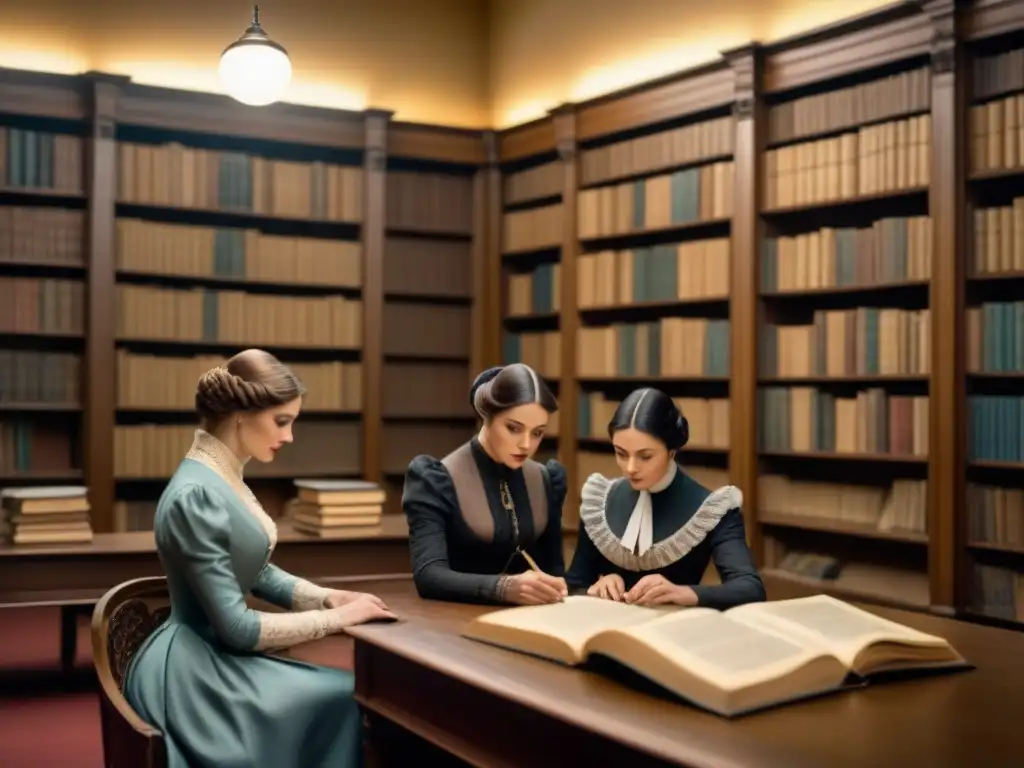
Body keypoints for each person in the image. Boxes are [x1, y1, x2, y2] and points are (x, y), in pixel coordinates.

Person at [123, 349, 396, 768]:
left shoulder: (222, 474)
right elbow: (236, 628)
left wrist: (326, 598)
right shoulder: (195, 495)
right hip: (196, 671)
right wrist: (339, 621)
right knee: (345, 694)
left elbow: (253, 570)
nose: (289, 437)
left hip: (215, 651)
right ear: (239, 415)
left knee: (348, 690)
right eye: (281, 421)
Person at [565, 387, 766, 610]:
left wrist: (683, 593)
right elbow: (574, 585)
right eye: (621, 454)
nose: (630, 468)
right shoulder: (599, 501)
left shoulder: (711, 509)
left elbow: (750, 588)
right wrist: (596, 588)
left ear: (672, 451)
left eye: (645, 456)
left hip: (670, 633)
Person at [402, 363, 569, 605]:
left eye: (537, 433)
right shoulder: (435, 479)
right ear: (487, 418)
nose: (526, 444)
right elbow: (429, 576)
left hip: (532, 618)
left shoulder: (547, 479)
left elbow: (554, 567)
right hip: (454, 620)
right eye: (513, 428)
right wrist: (502, 587)